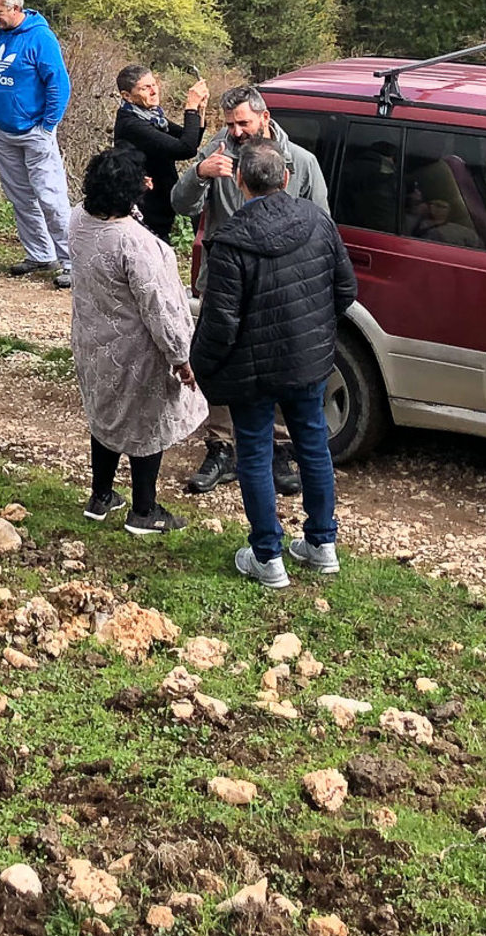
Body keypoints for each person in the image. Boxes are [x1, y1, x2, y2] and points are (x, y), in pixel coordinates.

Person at [188, 136, 355, 589]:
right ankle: (322, 544)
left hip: (253, 371)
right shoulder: (318, 221)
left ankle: (268, 556)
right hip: (308, 361)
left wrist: (198, 367)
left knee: (256, 454)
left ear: (239, 182)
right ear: (286, 177)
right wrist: (317, 329)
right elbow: (346, 290)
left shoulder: (230, 240)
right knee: (313, 445)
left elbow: (220, 323)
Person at [170, 84, 329, 495]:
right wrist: (199, 174)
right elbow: (181, 205)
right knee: (220, 359)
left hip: (280, 286)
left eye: (243, 123)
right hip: (224, 280)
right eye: (230, 124)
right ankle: (221, 447)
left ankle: (279, 450)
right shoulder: (217, 152)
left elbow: (322, 225)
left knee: (280, 362)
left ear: (264, 117)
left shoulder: (300, 163)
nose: (236, 132)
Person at [69, 148, 208, 535]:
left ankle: (100, 497)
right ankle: (144, 511)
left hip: (91, 340)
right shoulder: (135, 244)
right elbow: (160, 309)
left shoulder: (77, 219)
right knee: (146, 424)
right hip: (135, 352)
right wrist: (181, 358)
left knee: (105, 415)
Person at [0, 0, 74, 286]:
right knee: (20, 196)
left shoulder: (40, 38)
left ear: (15, 8)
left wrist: (47, 126)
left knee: (50, 197)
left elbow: (58, 83)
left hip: (34, 132)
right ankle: (40, 254)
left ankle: (71, 262)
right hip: (0, 130)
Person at [110, 65, 205, 242]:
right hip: (145, 207)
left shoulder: (151, 116)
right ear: (126, 96)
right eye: (145, 88)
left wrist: (200, 109)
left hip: (160, 204)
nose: (154, 91)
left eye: (154, 84)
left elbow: (190, 139)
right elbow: (185, 149)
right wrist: (190, 108)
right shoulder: (132, 124)